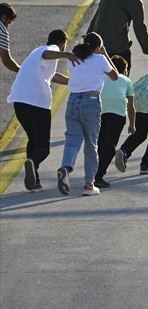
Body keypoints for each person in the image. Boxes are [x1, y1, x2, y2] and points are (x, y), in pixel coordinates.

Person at [5, 28, 76, 191]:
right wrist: (65, 55)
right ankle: (33, 163)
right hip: (37, 103)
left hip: (19, 101)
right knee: (43, 147)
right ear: (62, 44)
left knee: (33, 140)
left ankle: (34, 179)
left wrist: (72, 82)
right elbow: (48, 54)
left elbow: (52, 76)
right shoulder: (51, 50)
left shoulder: (36, 53)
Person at [56, 33, 119, 196]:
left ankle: (66, 167)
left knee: (72, 141)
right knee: (91, 145)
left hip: (72, 102)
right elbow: (115, 76)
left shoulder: (74, 59)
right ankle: (89, 185)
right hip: (91, 102)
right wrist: (104, 53)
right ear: (98, 47)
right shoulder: (100, 59)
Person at [94, 54, 136, 188]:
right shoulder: (126, 80)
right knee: (109, 147)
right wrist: (132, 124)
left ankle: (92, 174)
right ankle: (98, 176)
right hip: (117, 115)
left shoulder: (101, 77)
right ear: (125, 70)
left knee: (99, 144)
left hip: (99, 113)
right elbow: (131, 106)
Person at [0, 2, 16, 72]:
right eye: (8, 23)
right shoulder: (2, 30)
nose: (7, 27)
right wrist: (22, 70)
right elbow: (7, 61)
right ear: (3, 18)